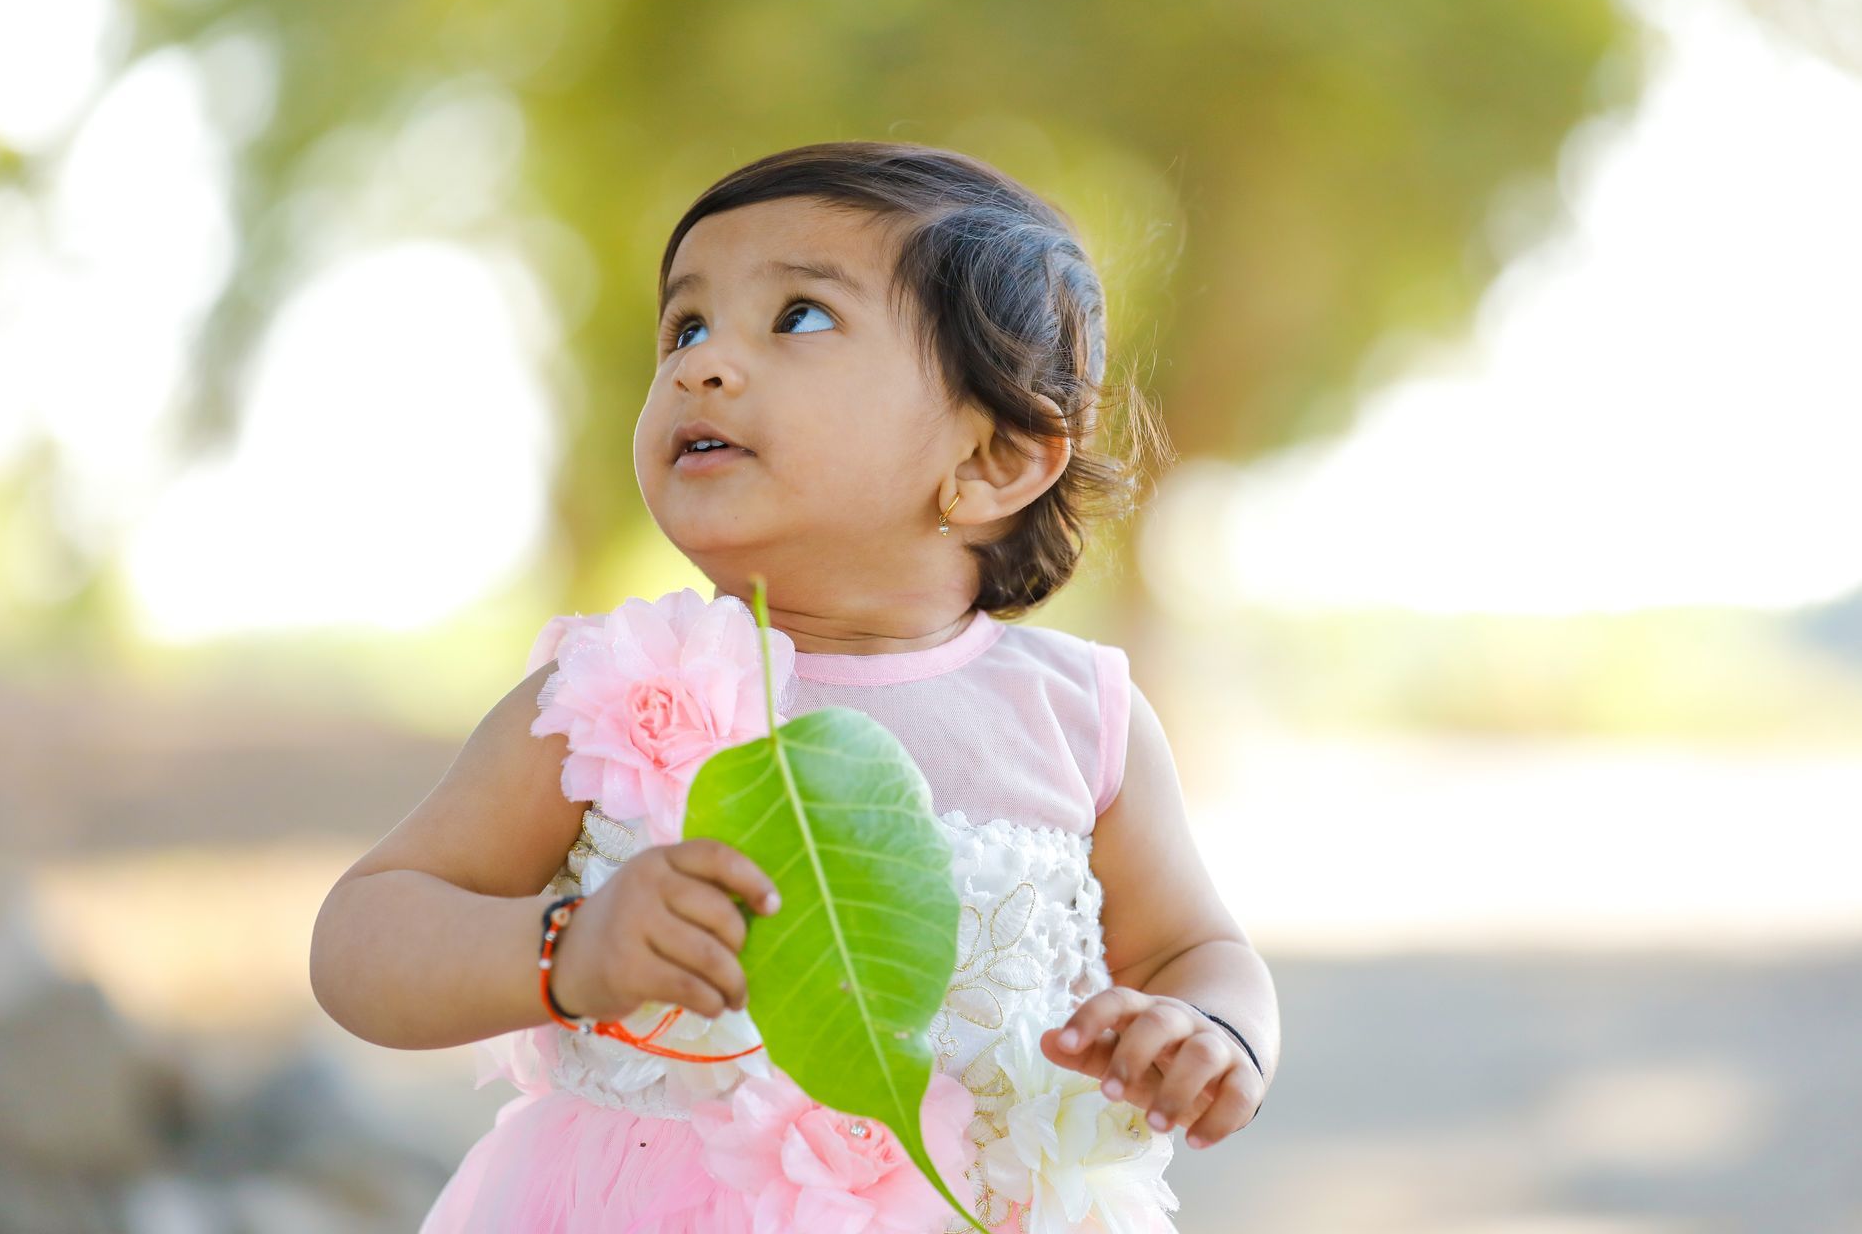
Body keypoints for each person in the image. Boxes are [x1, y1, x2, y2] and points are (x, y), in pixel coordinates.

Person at [309, 140, 1280, 1233]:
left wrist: (1210, 1033)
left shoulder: (1077, 717)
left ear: (993, 459)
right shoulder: (616, 694)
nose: (702, 364)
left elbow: (1199, 949)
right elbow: (363, 934)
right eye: (685, 326)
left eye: (800, 317)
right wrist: (568, 945)